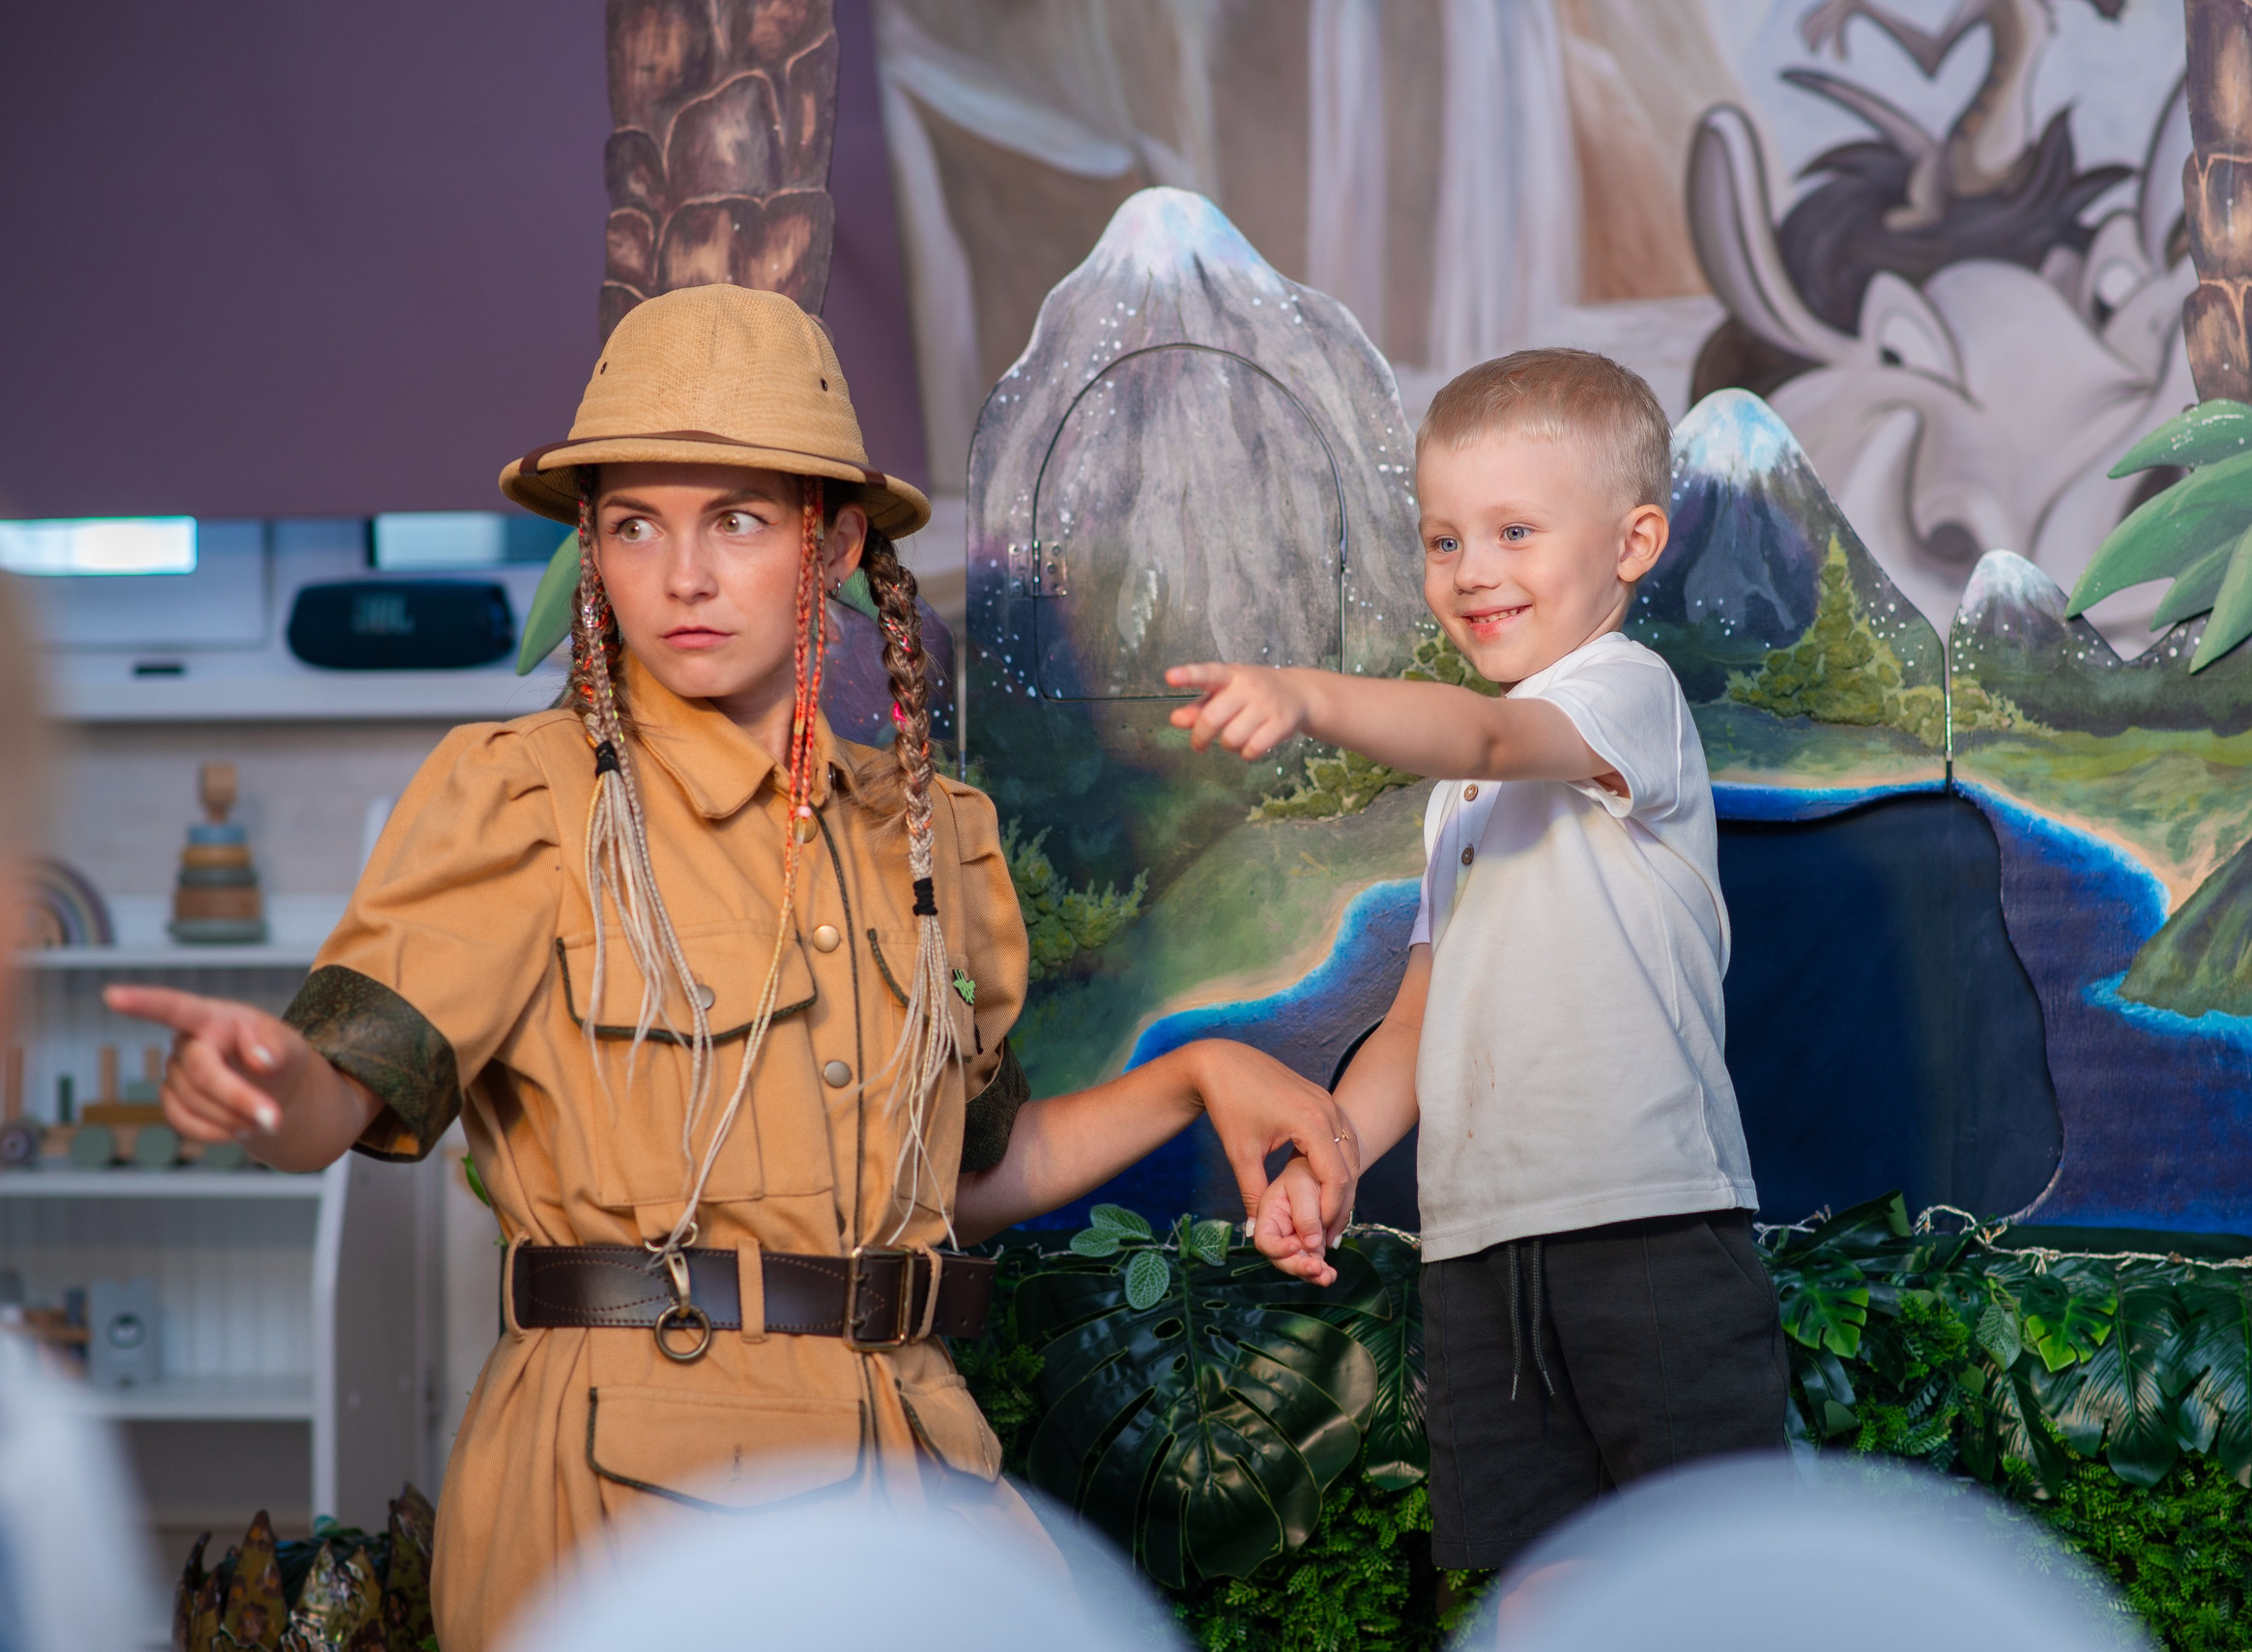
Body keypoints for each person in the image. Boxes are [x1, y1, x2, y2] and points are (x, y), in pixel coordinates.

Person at [106, 283, 1357, 1650]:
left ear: (829, 545)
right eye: (635, 525)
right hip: (622, 1496)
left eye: (737, 522)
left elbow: (967, 1179)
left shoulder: (940, 835)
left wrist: (1198, 1073)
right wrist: (268, 1086)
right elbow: (333, 1100)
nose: (681, 576)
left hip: (913, 1486)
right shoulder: (526, 802)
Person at [1169, 349, 1787, 1595]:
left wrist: (1311, 696)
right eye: (1444, 540)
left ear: (1634, 542)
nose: (1473, 571)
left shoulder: (1625, 697)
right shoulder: (1460, 800)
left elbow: (1497, 730)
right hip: (1481, 1251)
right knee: (1530, 1592)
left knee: (1710, 1591)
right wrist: (1328, 1153)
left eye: (1514, 529)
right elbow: (1414, 1026)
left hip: (1648, 1227)